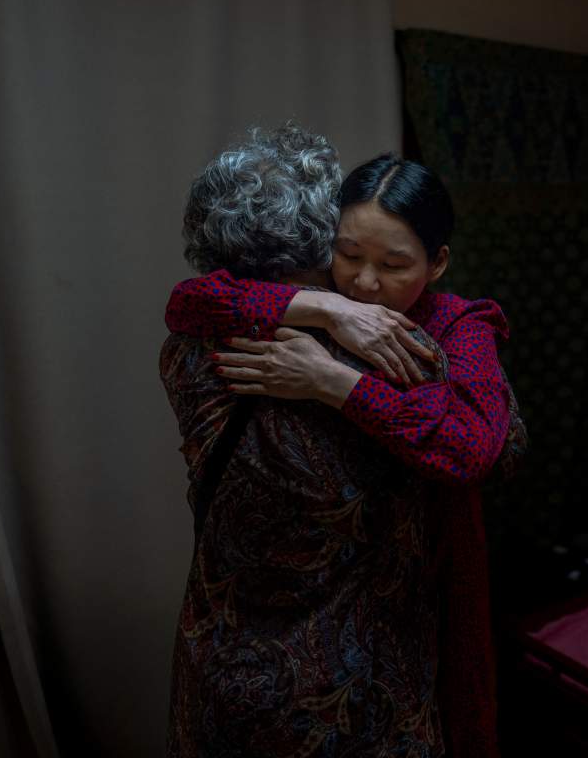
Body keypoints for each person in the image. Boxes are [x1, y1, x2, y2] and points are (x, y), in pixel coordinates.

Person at [165, 153, 524, 758]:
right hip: (338, 677)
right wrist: (328, 309)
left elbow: (472, 449)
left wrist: (334, 383)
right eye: (349, 255)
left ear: (437, 263)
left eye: (393, 265)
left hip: (320, 665)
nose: (364, 282)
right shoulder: (326, 308)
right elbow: (189, 301)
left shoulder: (457, 332)